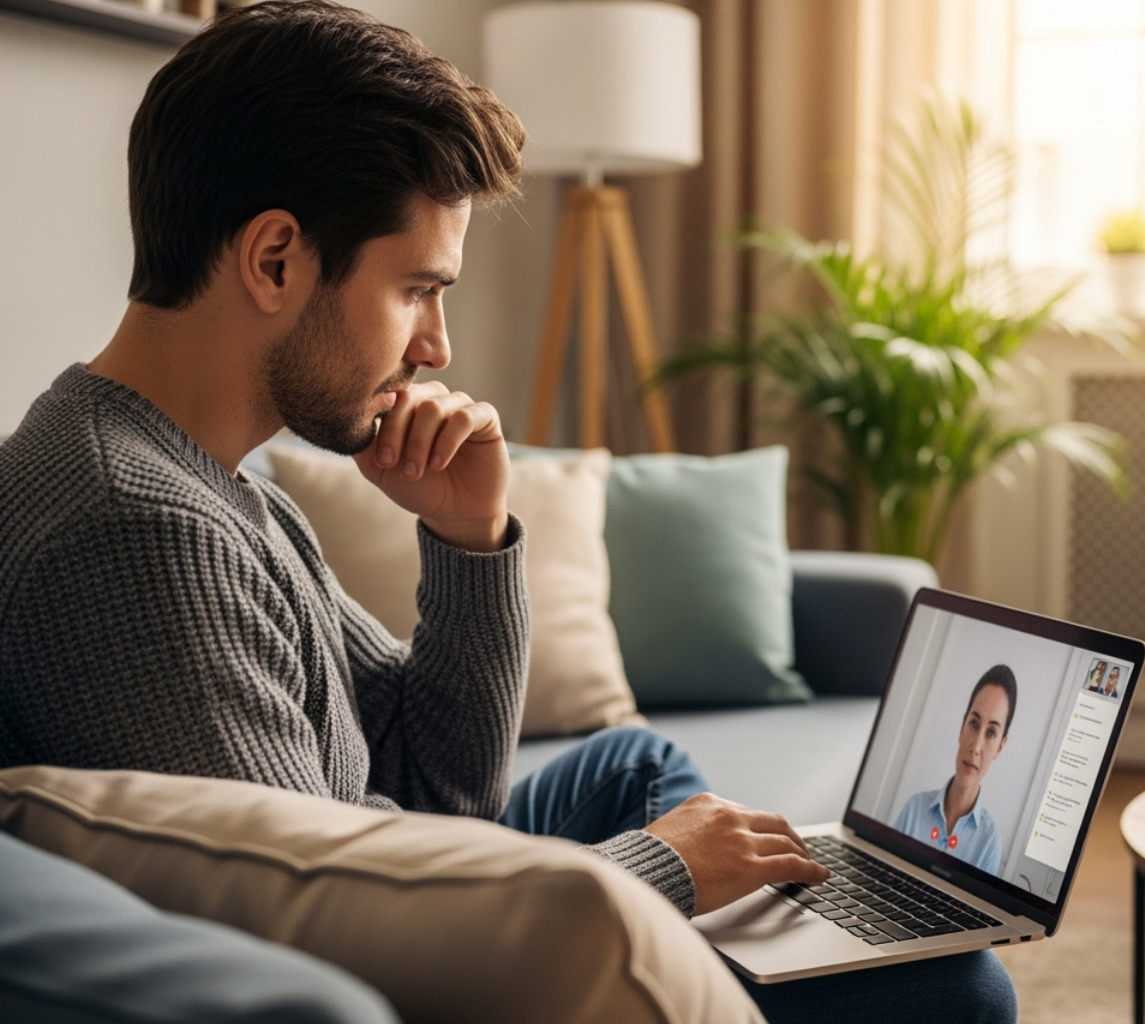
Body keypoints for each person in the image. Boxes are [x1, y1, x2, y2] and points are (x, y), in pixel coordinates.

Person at [0, 4, 1014, 1021]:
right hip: (424, 963)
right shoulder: (138, 534)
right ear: (274, 259)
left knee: (639, 762)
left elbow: (445, 791)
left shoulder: (200, 475)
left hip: (405, 864)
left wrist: (467, 538)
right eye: (417, 289)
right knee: (961, 988)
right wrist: (657, 875)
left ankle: (735, 954)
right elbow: (316, 935)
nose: (436, 345)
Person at [893, 665, 1017, 875]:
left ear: (1000, 747)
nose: (976, 747)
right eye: (974, 724)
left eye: (991, 733)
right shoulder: (913, 809)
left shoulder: (989, 843)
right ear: (962, 728)